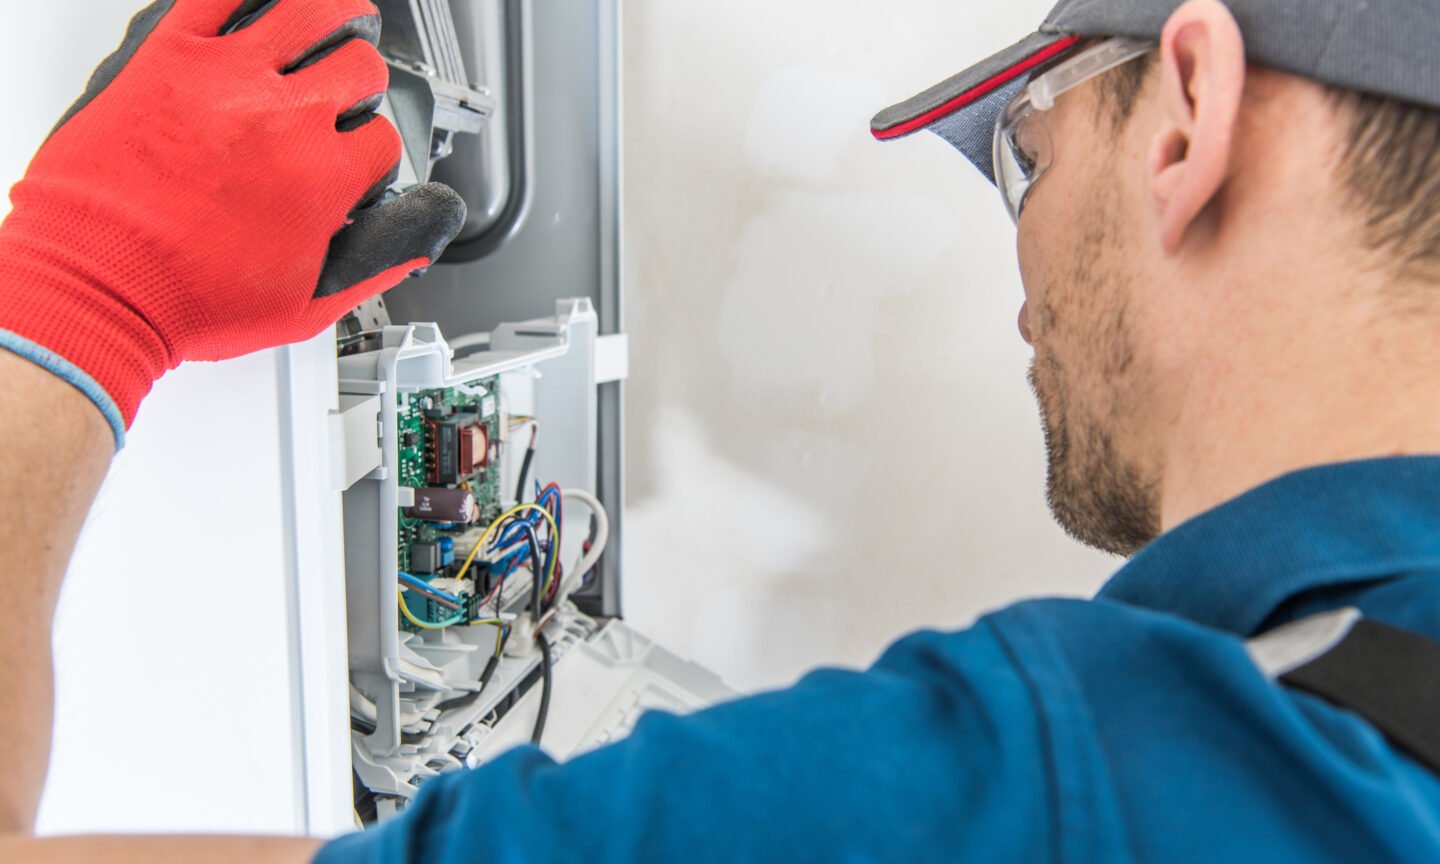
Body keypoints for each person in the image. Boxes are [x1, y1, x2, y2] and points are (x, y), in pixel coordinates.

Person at [1, 0, 1438, 859]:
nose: (1023, 281)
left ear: (1186, 119)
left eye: (1026, 154)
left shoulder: (1051, 794)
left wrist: (84, 290)